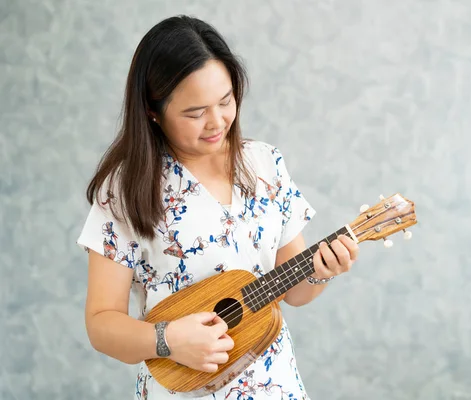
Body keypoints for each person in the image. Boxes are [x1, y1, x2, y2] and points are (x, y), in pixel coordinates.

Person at [76, 15, 359, 400]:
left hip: (274, 386)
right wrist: (168, 339)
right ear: (152, 111)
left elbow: (293, 292)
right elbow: (101, 324)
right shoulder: (128, 189)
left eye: (225, 101)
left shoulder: (264, 165)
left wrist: (325, 271)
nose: (216, 122)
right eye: (194, 113)